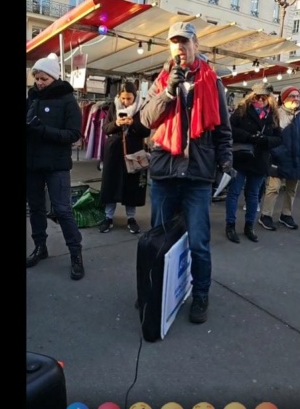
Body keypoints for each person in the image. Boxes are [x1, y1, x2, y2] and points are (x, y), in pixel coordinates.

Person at [139, 21, 232, 324]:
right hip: (165, 173)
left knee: (198, 243)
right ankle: (155, 292)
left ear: (196, 45)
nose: (180, 47)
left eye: (185, 41)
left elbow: (222, 131)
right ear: (170, 48)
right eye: (174, 42)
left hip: (198, 176)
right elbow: (146, 119)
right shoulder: (162, 79)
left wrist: (225, 164)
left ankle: (200, 293)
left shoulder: (212, 81)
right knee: (159, 240)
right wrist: (168, 92)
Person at [26, 53, 85, 280]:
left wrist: (41, 129)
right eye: (37, 78)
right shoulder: (32, 97)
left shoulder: (68, 100)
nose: (39, 83)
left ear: (54, 77)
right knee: (36, 208)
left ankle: (76, 254)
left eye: (44, 79)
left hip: (57, 165)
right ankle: (40, 247)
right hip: (32, 164)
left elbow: (73, 134)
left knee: (62, 209)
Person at [224, 83, 282, 244]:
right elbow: (229, 129)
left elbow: (279, 138)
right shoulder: (242, 110)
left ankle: (249, 226)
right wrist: (249, 136)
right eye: (257, 96)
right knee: (234, 193)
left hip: (259, 160)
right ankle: (230, 225)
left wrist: (265, 140)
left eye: (264, 97)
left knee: (253, 195)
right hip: (241, 158)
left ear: (269, 98)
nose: (260, 99)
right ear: (252, 96)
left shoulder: (273, 115)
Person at [99, 82, 152, 234]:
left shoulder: (142, 109)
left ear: (135, 97)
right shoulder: (114, 107)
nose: (125, 102)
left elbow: (146, 131)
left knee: (132, 185)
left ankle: (131, 218)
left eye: (129, 98)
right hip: (114, 151)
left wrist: (133, 123)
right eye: (123, 98)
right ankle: (108, 217)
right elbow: (105, 128)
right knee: (111, 183)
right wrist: (116, 123)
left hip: (134, 151)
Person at [259, 87, 300, 231]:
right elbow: (269, 136)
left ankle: (286, 214)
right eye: (292, 96)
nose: (296, 99)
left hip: (298, 158)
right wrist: (276, 152)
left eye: (297, 96)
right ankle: (265, 215)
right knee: (273, 188)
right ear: (284, 98)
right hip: (279, 158)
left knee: (291, 190)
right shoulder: (275, 114)